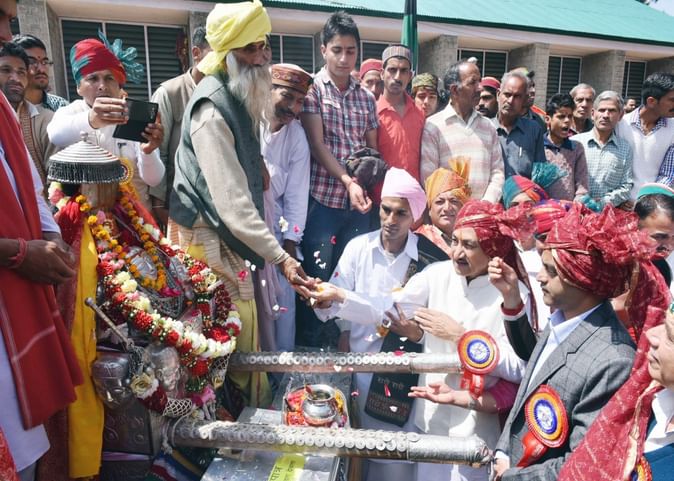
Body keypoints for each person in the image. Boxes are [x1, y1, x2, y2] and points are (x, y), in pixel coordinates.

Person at [312, 199, 529, 481]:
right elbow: (388, 308)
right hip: (430, 423)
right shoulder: (437, 275)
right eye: (455, 241)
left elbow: (521, 368)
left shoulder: (512, 293)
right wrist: (340, 297)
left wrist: (461, 338)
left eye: (469, 245)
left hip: (478, 432)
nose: (457, 253)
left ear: (493, 249)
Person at [169, 0, 311, 406]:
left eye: (264, 46)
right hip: (205, 240)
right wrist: (282, 258)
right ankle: (230, 424)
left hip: (230, 236)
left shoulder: (237, 88)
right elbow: (232, 204)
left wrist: (257, 165)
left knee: (245, 334)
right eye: (251, 49)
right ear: (227, 53)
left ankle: (248, 414)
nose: (262, 57)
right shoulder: (211, 109)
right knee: (229, 337)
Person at [494, 205, 651, 481]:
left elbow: (583, 463)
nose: (540, 277)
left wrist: (511, 477)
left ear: (582, 278)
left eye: (551, 271)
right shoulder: (560, 320)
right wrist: (502, 452)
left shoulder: (614, 362)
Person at [311, 168, 446, 481]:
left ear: (415, 217)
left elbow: (395, 312)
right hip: (358, 372)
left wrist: (339, 297)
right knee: (355, 462)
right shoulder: (358, 248)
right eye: (386, 210)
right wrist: (325, 303)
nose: (391, 220)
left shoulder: (430, 261)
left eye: (401, 213)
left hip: (402, 381)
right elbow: (329, 309)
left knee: (393, 466)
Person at [0, 3, 82, 480]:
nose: (7, 33)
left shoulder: (3, 112)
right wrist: (17, 253)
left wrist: (50, 236)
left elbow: (27, 182)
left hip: (18, 291)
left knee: (24, 438)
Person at [298, 10, 378, 347]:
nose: (344, 58)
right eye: (337, 50)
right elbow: (317, 145)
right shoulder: (313, 90)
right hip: (323, 201)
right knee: (318, 275)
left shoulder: (366, 96)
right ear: (323, 50)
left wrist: (367, 175)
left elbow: (373, 148)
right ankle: (310, 344)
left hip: (358, 205)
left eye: (350, 51)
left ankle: (347, 342)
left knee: (354, 275)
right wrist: (348, 180)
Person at [47, 33, 165, 212]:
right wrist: (92, 120)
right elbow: (55, 135)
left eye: (109, 78)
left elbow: (154, 179)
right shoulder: (71, 112)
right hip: (86, 221)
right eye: (93, 79)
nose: (102, 85)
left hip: (135, 221)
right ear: (79, 87)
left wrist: (147, 152)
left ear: (119, 85)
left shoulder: (134, 114)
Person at [260, 62, 312, 352]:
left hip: (277, 231)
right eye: (287, 97)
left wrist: (290, 244)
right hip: (242, 227)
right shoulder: (246, 122)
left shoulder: (297, 136)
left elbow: (296, 196)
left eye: (300, 101)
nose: (293, 107)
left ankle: (280, 373)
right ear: (267, 90)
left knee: (283, 305)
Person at [150, 26, 211, 229]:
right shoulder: (170, 93)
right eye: (217, 54)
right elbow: (157, 152)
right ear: (196, 53)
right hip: (178, 205)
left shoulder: (225, 92)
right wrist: (159, 205)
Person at [420, 60, 504, 202]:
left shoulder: (488, 127)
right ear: (454, 90)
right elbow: (429, 178)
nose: (480, 88)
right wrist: (451, 206)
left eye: (479, 81)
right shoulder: (434, 127)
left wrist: (486, 204)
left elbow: (497, 173)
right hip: (447, 212)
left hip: (482, 212)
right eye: (473, 82)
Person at [0, 41, 56, 190]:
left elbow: (56, 185)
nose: (15, 78)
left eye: (21, 72)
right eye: (6, 70)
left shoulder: (45, 120)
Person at [374, 44, 424, 197]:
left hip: (412, 199)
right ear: (382, 73)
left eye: (403, 71)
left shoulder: (420, 113)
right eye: (392, 70)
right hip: (380, 199)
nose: (397, 77)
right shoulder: (371, 113)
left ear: (410, 76)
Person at [573, 90, 633, 210]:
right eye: (601, 110)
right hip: (574, 211)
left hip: (607, 214)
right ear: (593, 113)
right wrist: (581, 201)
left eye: (611, 111)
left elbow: (626, 186)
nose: (605, 115)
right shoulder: (575, 142)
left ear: (620, 115)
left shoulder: (625, 148)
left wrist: (603, 203)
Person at [619, 73, 674, 194]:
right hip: (618, 200)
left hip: (652, 200)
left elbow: (668, 174)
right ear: (651, 101)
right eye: (672, 100)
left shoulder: (672, 128)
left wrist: (647, 198)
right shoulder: (620, 125)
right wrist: (621, 197)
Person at [493, 70, 546, 179]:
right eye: (507, 94)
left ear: (525, 100)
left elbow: (539, 174)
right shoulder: (485, 128)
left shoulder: (534, 130)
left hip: (524, 190)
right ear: (498, 95)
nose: (510, 101)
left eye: (517, 96)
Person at [416, 162, 470, 256]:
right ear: (429, 210)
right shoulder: (418, 241)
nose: (447, 208)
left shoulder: (472, 239)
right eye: (440, 202)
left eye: (453, 201)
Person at [543, 93, 589, 201]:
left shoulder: (576, 148)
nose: (567, 120)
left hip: (569, 208)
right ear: (547, 119)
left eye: (570, 116)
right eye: (561, 117)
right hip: (542, 208)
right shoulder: (538, 146)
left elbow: (582, 187)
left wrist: (577, 205)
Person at [12, 34, 68, 112]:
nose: (41, 69)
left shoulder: (61, 107)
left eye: (44, 62)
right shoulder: (6, 108)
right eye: (31, 62)